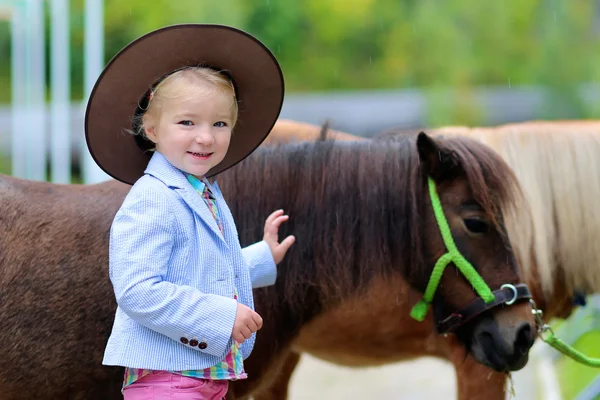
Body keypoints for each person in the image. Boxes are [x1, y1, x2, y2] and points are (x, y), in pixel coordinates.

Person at [84, 24, 295, 399]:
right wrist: (221, 316)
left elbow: (199, 270)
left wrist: (261, 258)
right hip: (167, 380)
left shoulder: (202, 192)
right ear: (151, 128)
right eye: (187, 122)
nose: (206, 137)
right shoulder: (153, 197)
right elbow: (138, 290)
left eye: (220, 123)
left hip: (208, 378)